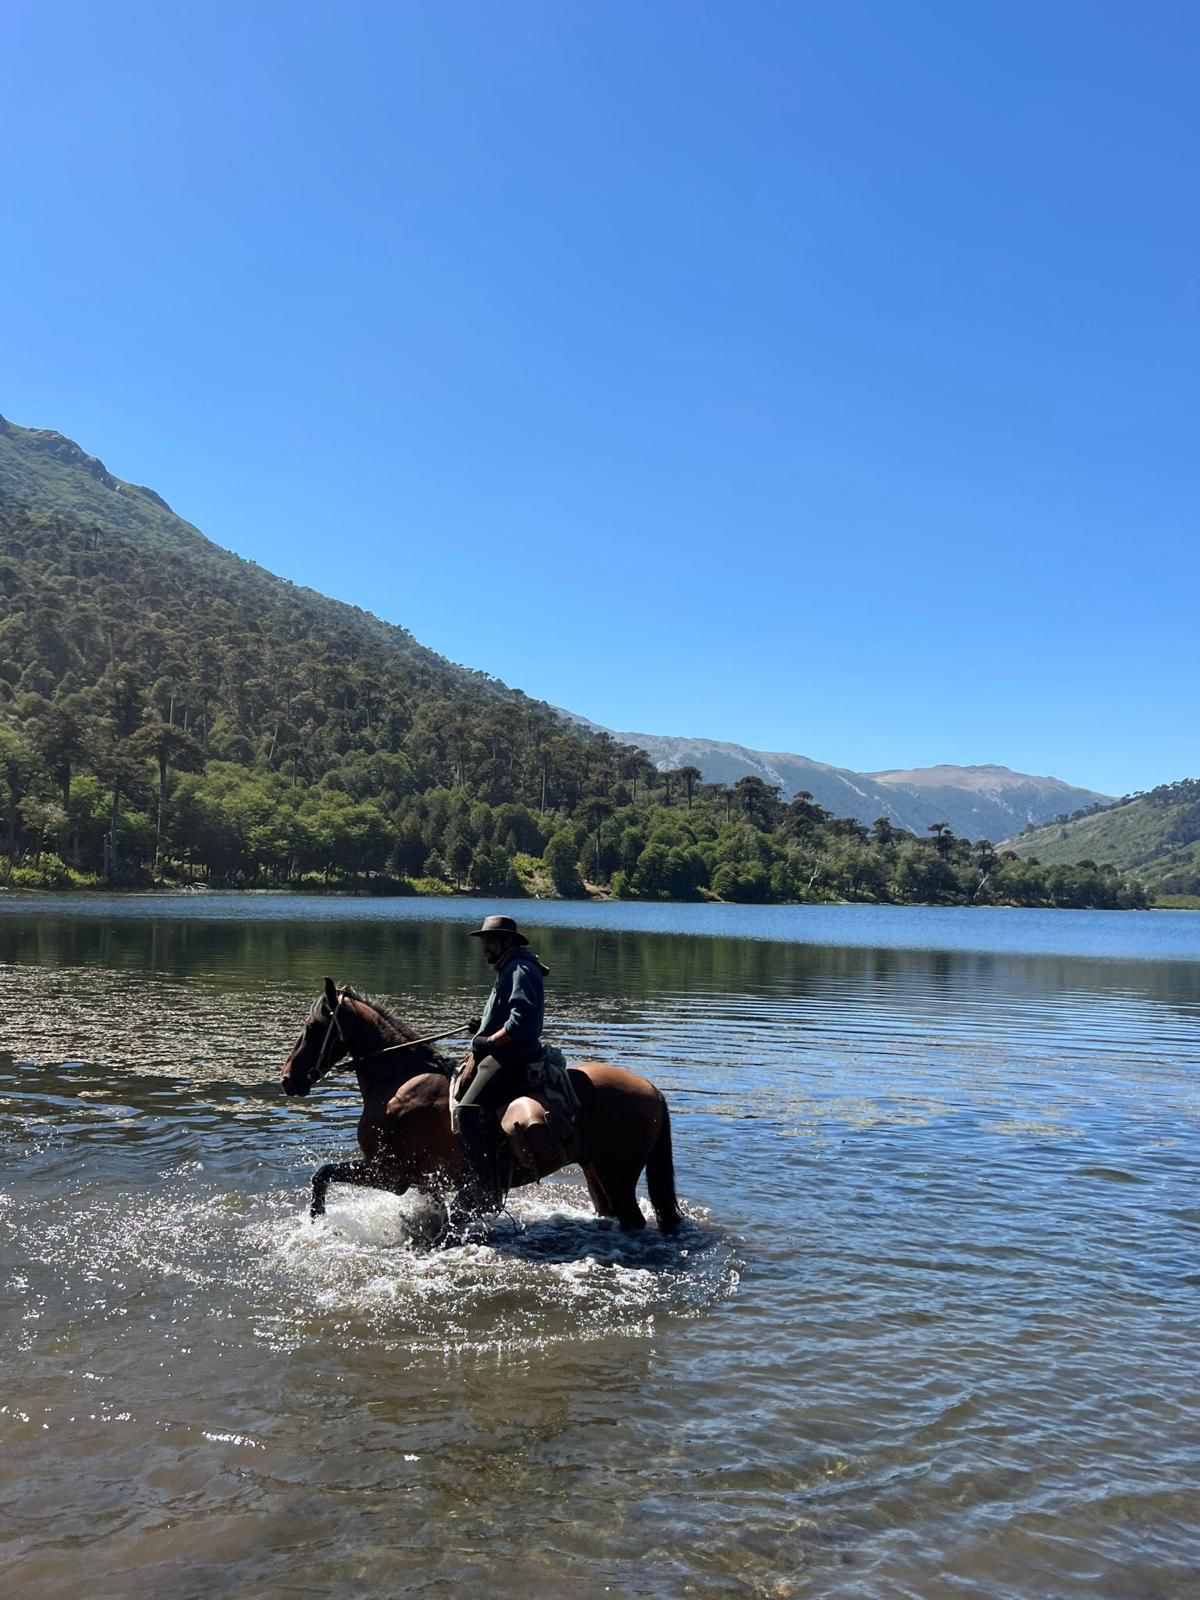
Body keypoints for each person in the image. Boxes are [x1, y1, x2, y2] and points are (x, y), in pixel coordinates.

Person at [451, 914, 550, 1209]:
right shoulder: (510, 967)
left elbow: (520, 1022)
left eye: (491, 940)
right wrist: (483, 1026)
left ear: (508, 942)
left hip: (511, 1057)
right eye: (484, 941)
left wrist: (490, 1041)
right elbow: (506, 1013)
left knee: (466, 1111)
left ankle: (486, 1189)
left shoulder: (520, 969)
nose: (485, 947)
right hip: (505, 1053)